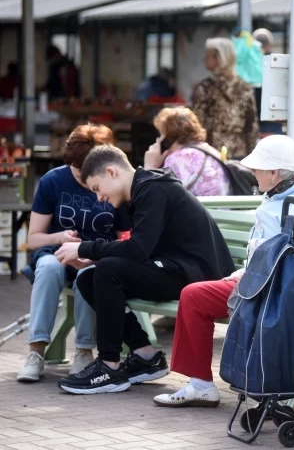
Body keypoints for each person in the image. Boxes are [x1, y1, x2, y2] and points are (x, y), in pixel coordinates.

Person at [152, 135, 294, 407]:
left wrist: (251, 281)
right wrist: (245, 276)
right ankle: (201, 385)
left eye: (257, 168)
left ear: (274, 172)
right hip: (265, 285)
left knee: (210, 299)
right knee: (194, 296)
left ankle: (266, 389)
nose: (253, 173)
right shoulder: (282, 193)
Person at [54, 145, 235, 395]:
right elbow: (139, 248)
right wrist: (92, 258)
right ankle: (145, 356)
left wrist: (86, 249)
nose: (99, 198)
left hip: (196, 277)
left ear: (111, 172)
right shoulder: (142, 190)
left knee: (108, 270)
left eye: (97, 188)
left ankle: (109, 366)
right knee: (89, 278)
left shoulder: (152, 188)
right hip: (176, 268)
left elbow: (138, 250)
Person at [16, 124, 131, 382]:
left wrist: (96, 254)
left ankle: (83, 351)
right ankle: (36, 352)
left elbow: (125, 236)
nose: (83, 176)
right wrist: (60, 237)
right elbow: (34, 238)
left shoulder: (115, 183)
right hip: (55, 253)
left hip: (97, 257)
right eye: (78, 169)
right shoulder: (53, 181)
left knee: (90, 274)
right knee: (47, 268)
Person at [192, 37, 259, 159]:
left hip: (211, 151)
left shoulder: (207, 87)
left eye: (208, 55)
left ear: (219, 58)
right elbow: (252, 125)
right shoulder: (244, 87)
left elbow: (197, 123)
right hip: (240, 151)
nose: (205, 59)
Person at [143, 106, 231, 197]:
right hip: (222, 210)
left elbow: (153, 198)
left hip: (202, 210)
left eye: (162, 134)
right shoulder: (212, 151)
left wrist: (150, 167)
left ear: (168, 138)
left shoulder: (178, 160)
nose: (159, 140)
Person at [252, 28, 283, 136]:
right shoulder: (277, 63)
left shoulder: (248, 63)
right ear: (271, 45)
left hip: (255, 119)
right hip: (272, 119)